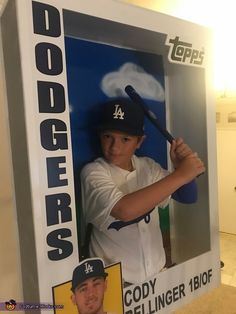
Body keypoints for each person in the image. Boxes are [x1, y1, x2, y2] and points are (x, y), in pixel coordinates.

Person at [80, 98, 205, 285]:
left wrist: (180, 169)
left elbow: (187, 197)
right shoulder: (93, 172)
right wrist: (181, 175)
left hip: (157, 272)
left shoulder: (148, 166)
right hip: (114, 283)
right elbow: (124, 210)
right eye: (108, 136)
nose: (115, 147)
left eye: (125, 139)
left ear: (139, 142)